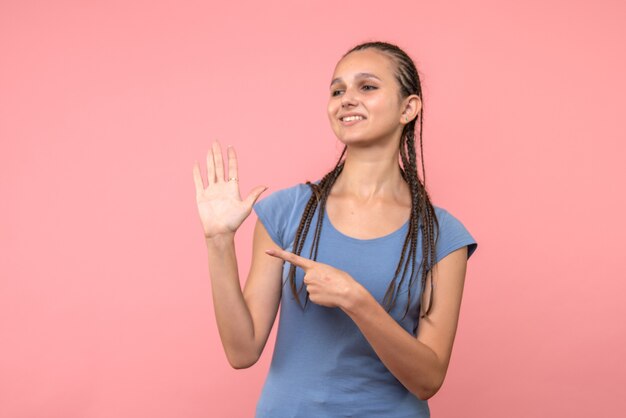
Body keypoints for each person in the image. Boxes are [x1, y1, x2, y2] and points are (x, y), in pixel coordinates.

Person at [192, 41, 478, 418]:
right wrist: (218, 241)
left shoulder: (441, 234)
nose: (346, 99)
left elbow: (428, 379)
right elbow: (242, 351)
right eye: (337, 90)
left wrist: (355, 300)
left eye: (368, 87)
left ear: (408, 108)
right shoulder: (288, 211)